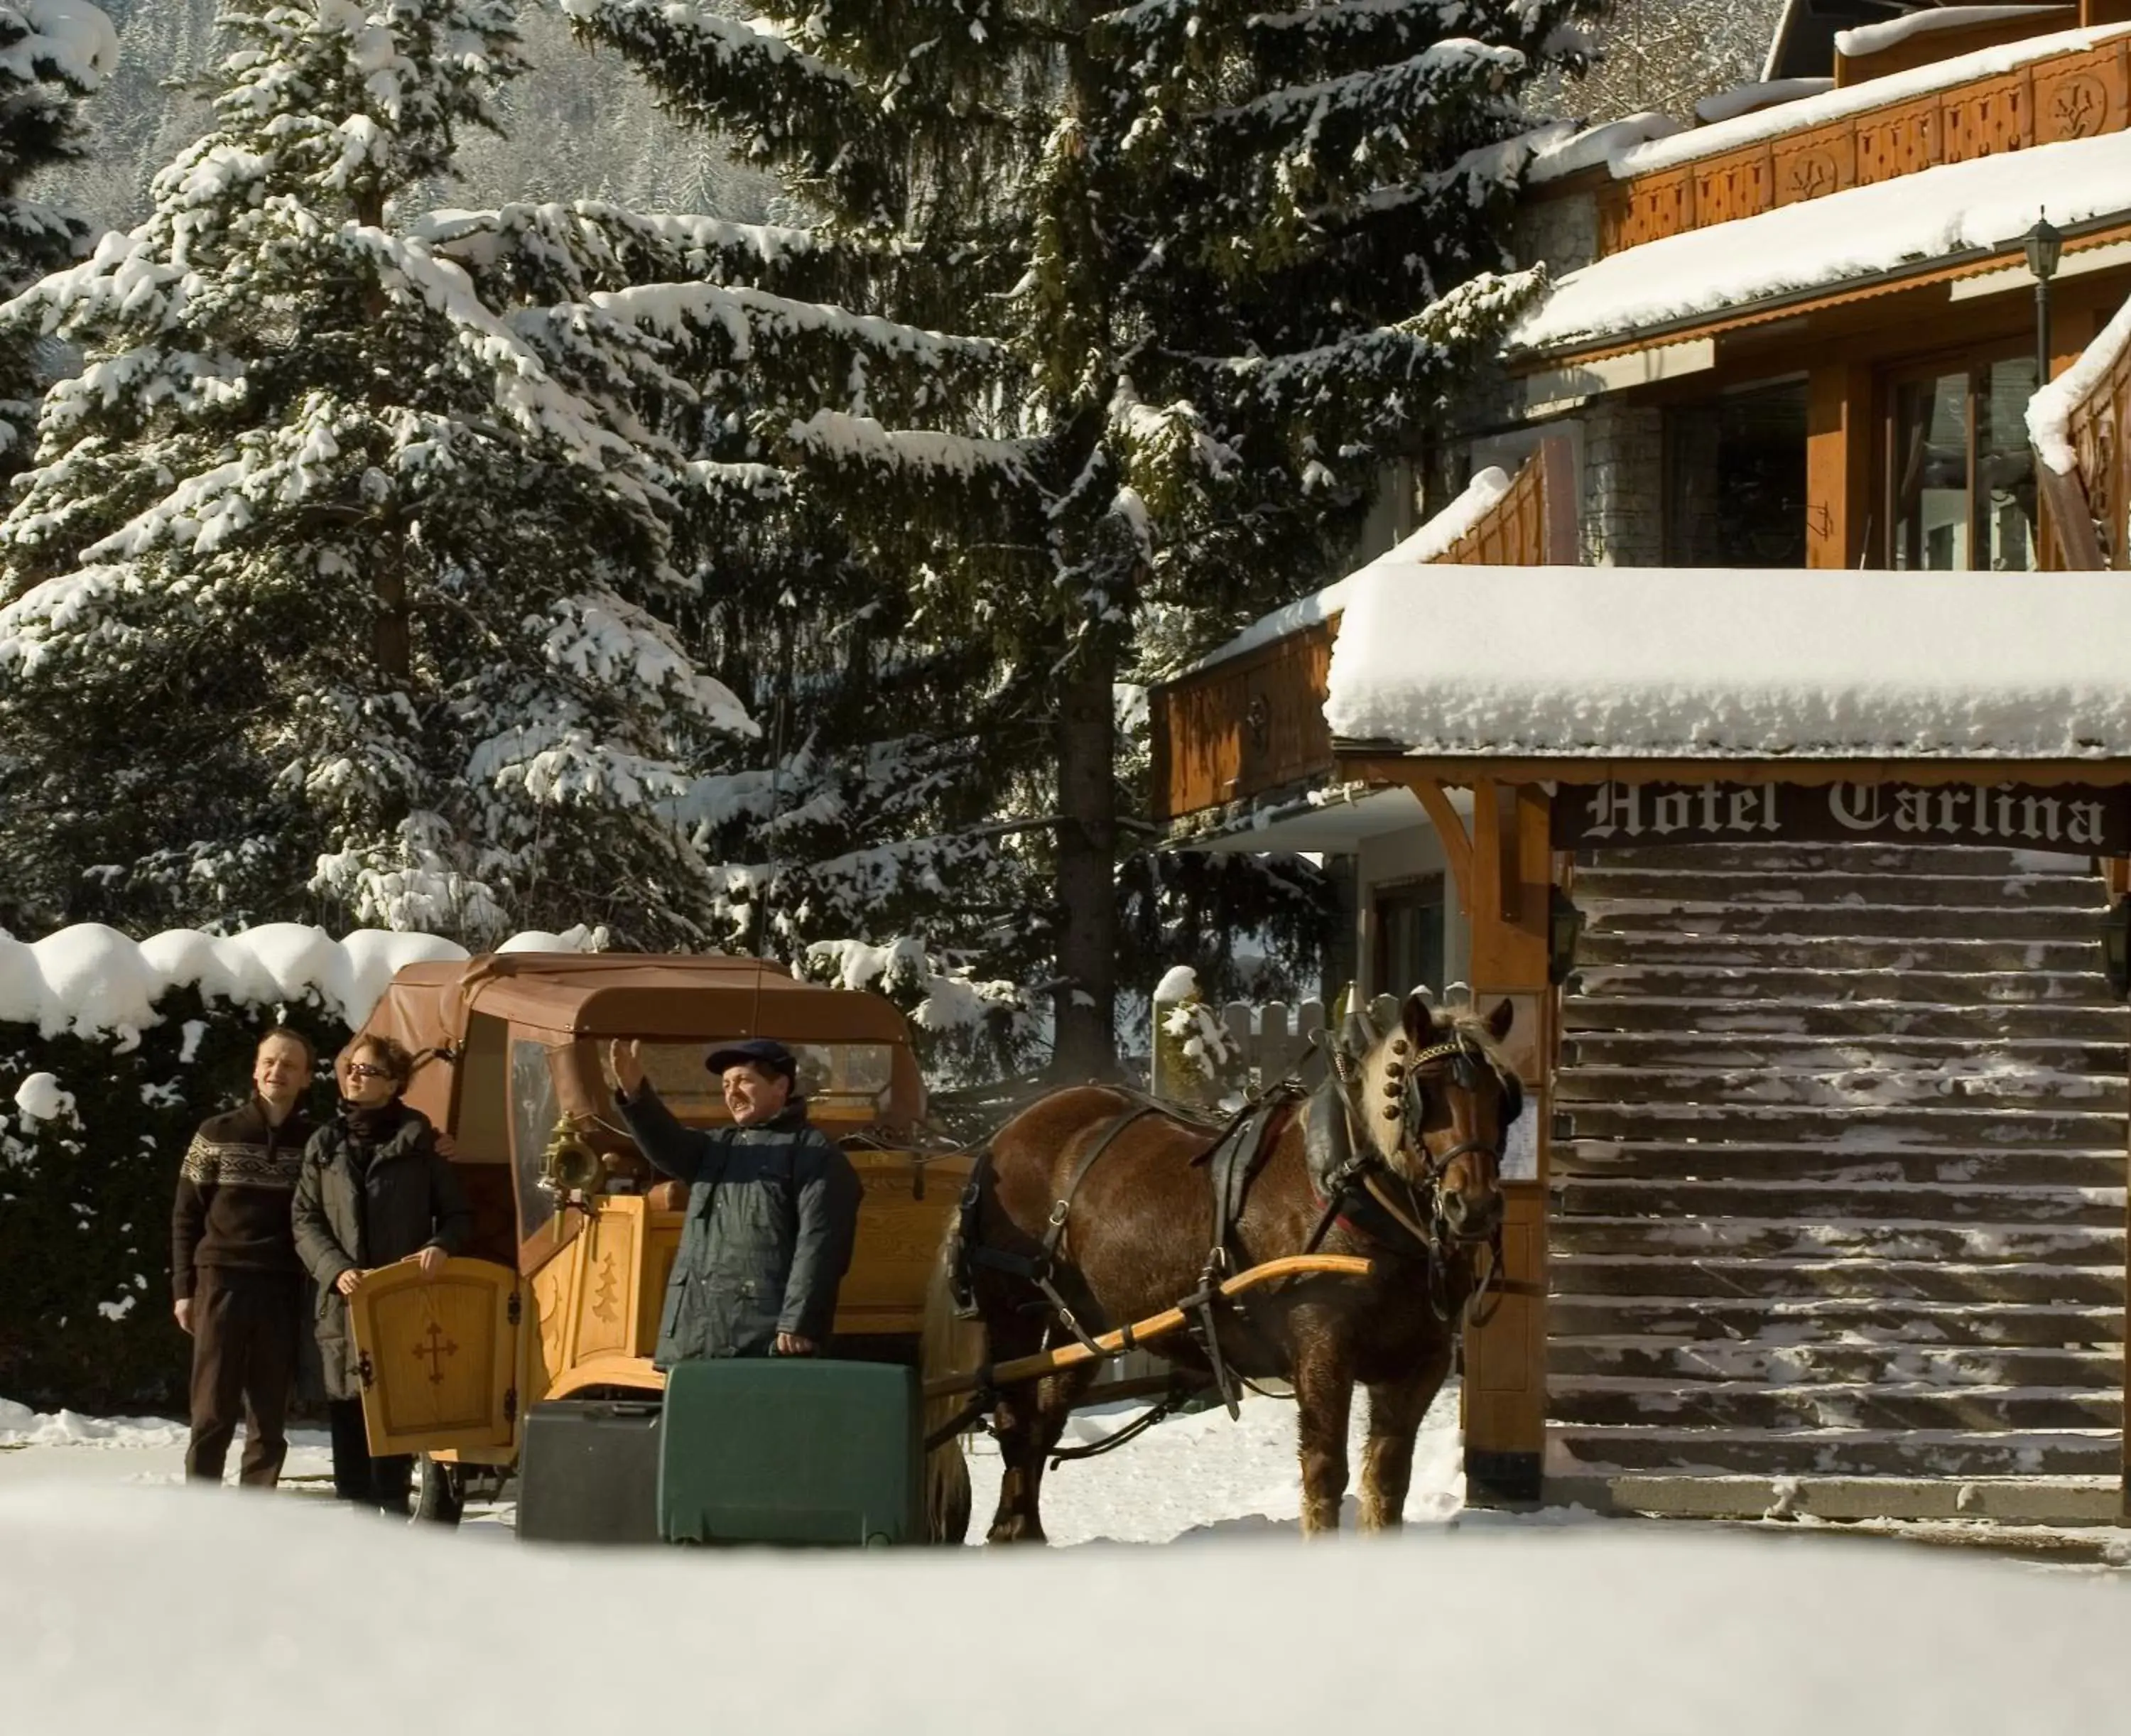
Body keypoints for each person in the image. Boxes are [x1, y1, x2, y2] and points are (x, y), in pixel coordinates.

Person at [291, 1034, 470, 1514]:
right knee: (348, 1414)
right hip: (343, 1303)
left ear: (394, 1084)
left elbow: (457, 1215)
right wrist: (336, 1268)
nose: (354, 1076)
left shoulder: (420, 1143)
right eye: (351, 1067)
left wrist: (439, 1246)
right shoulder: (324, 1144)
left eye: (367, 1071)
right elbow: (304, 1219)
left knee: (395, 1411)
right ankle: (359, 1527)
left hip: (402, 1303)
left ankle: (393, 1522)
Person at [608, 1036, 861, 1365]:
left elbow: (822, 1244)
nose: (732, 1092)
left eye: (744, 1080)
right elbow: (668, 1144)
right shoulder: (717, 1148)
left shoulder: (815, 1155)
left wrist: (800, 1322)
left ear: (780, 1086)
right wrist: (635, 1094)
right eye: (726, 1084)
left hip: (767, 1346)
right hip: (693, 1341)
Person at [170, 1026, 318, 1488]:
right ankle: (201, 1510)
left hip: (283, 1288)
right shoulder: (215, 1134)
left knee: (270, 1415)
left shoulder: (316, 1143)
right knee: (212, 1410)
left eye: (290, 1064)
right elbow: (185, 1217)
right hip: (221, 1283)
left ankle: (256, 1516)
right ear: (256, 1071)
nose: (278, 1071)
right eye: (270, 1062)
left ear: (307, 1078)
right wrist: (183, 1291)